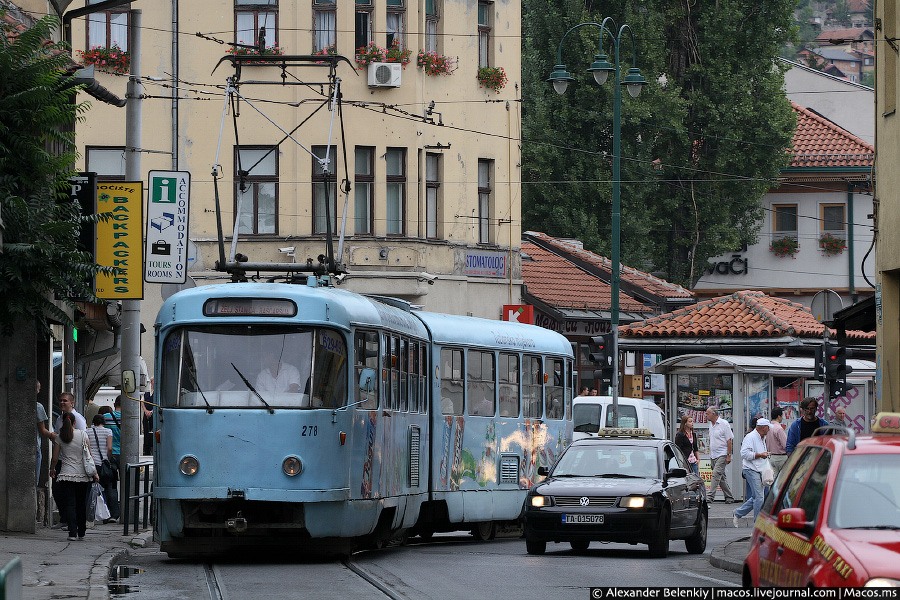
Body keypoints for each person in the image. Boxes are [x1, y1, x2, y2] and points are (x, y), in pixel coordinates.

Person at [50, 413, 99, 540]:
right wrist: (95, 473)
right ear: (74, 422)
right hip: (83, 474)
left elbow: (55, 458)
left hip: (66, 474)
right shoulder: (83, 434)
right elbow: (89, 455)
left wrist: (52, 469)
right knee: (81, 504)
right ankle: (81, 532)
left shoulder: (59, 437)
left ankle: (72, 533)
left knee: (70, 504)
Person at [733, 418, 771, 526]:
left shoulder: (762, 437)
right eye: (768, 428)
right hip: (750, 469)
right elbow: (744, 454)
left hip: (759, 469)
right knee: (759, 497)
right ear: (763, 427)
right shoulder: (750, 437)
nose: (769, 430)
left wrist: (764, 455)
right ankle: (757, 527)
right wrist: (760, 454)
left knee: (759, 496)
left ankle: (737, 513)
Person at [87, 414, 117, 523]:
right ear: (103, 422)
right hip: (104, 463)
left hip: (92, 464)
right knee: (108, 488)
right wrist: (108, 458)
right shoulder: (108, 431)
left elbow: (88, 449)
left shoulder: (87, 432)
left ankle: (92, 514)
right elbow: (109, 448)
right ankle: (108, 514)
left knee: (93, 489)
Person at [706, 406, 736, 503]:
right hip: (713, 454)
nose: (706, 415)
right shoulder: (711, 425)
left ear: (714, 414)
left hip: (722, 454)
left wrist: (728, 455)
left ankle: (710, 497)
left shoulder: (724, 424)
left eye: (708, 413)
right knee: (721, 477)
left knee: (715, 474)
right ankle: (729, 497)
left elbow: (729, 440)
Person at [103, 397, 122, 521]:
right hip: (125, 454)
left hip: (111, 454)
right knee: (128, 484)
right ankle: (128, 513)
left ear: (114, 404)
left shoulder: (105, 416)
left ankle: (113, 514)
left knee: (111, 485)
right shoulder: (131, 417)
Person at [35, 381, 57, 484]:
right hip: (35, 446)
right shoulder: (38, 407)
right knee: (34, 480)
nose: (39, 390)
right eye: (38, 388)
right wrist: (53, 436)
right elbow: (42, 430)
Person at [766, 407, 788, 477]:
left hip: (771, 457)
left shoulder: (768, 428)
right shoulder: (778, 428)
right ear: (779, 416)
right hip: (781, 458)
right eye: (782, 416)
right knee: (783, 480)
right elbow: (785, 445)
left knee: (773, 481)